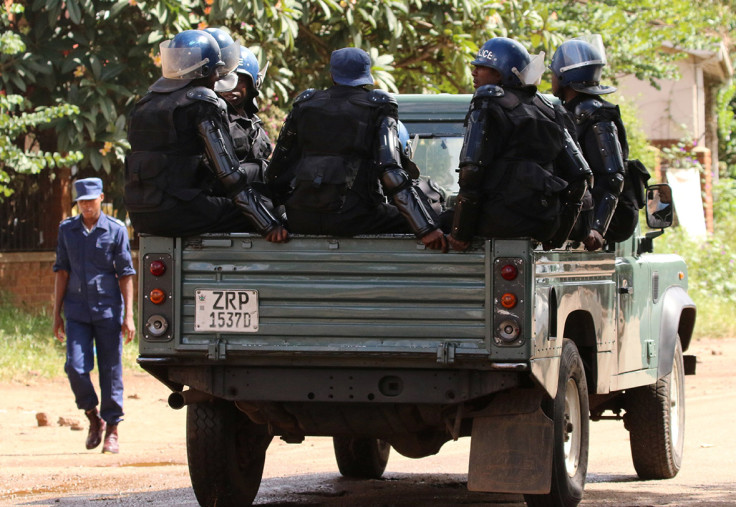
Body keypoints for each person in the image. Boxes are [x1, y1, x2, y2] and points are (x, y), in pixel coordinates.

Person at [265, 47, 447, 251]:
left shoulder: (305, 103)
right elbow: (390, 170)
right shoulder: (377, 106)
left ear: (332, 75)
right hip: (354, 218)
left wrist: (275, 220)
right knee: (437, 213)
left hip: (301, 219)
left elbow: (276, 169)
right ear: (367, 77)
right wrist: (426, 227)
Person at [124, 29, 287, 242]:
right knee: (262, 205)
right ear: (205, 70)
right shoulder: (201, 102)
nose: (218, 78)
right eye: (216, 71)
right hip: (179, 210)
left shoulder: (144, 104)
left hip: (139, 214)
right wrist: (268, 225)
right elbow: (229, 174)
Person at [447, 37, 574, 251]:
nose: (474, 72)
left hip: (498, 221)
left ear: (501, 73)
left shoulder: (488, 101)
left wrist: (460, 232)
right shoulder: (548, 109)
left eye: (482, 67)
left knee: (434, 221)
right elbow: (580, 175)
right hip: (542, 221)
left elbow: (472, 171)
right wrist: (557, 237)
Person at [52, 178, 136, 454]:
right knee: (75, 367)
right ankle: (93, 415)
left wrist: (129, 315)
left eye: (91, 200)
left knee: (111, 370)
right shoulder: (67, 230)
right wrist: (56, 315)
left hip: (108, 311)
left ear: (101, 197)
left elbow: (126, 274)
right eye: (82, 202)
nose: (87, 206)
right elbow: (61, 272)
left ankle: (112, 429)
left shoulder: (116, 230)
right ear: (77, 203)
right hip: (76, 311)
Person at [550, 37, 649, 250]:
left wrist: (597, 228)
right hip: (571, 222)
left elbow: (612, 176)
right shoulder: (565, 112)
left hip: (588, 230)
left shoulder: (597, 115)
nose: (551, 79)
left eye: (553, 73)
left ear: (562, 75)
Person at [213, 43, 273, 185]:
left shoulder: (252, 121)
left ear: (252, 84)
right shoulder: (213, 117)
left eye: (239, 80)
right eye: (226, 79)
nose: (231, 87)